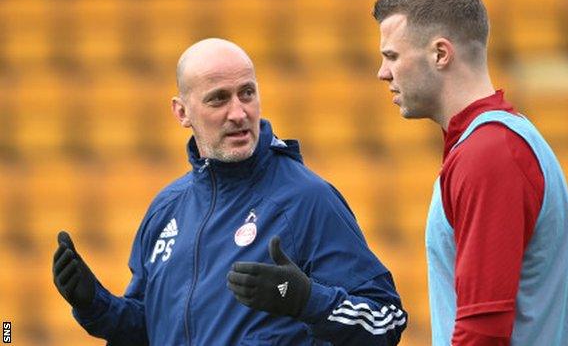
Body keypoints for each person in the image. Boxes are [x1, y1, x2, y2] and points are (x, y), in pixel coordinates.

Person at [51, 38, 407, 345]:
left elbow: (387, 320)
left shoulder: (306, 199)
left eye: (247, 93)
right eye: (218, 99)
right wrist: (94, 305)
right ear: (182, 112)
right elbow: (149, 329)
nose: (238, 113)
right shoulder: (166, 209)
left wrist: (306, 299)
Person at [372, 0, 568, 345]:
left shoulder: (489, 154)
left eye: (392, 56)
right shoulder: (498, 141)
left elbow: (483, 330)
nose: (383, 72)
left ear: (440, 54)